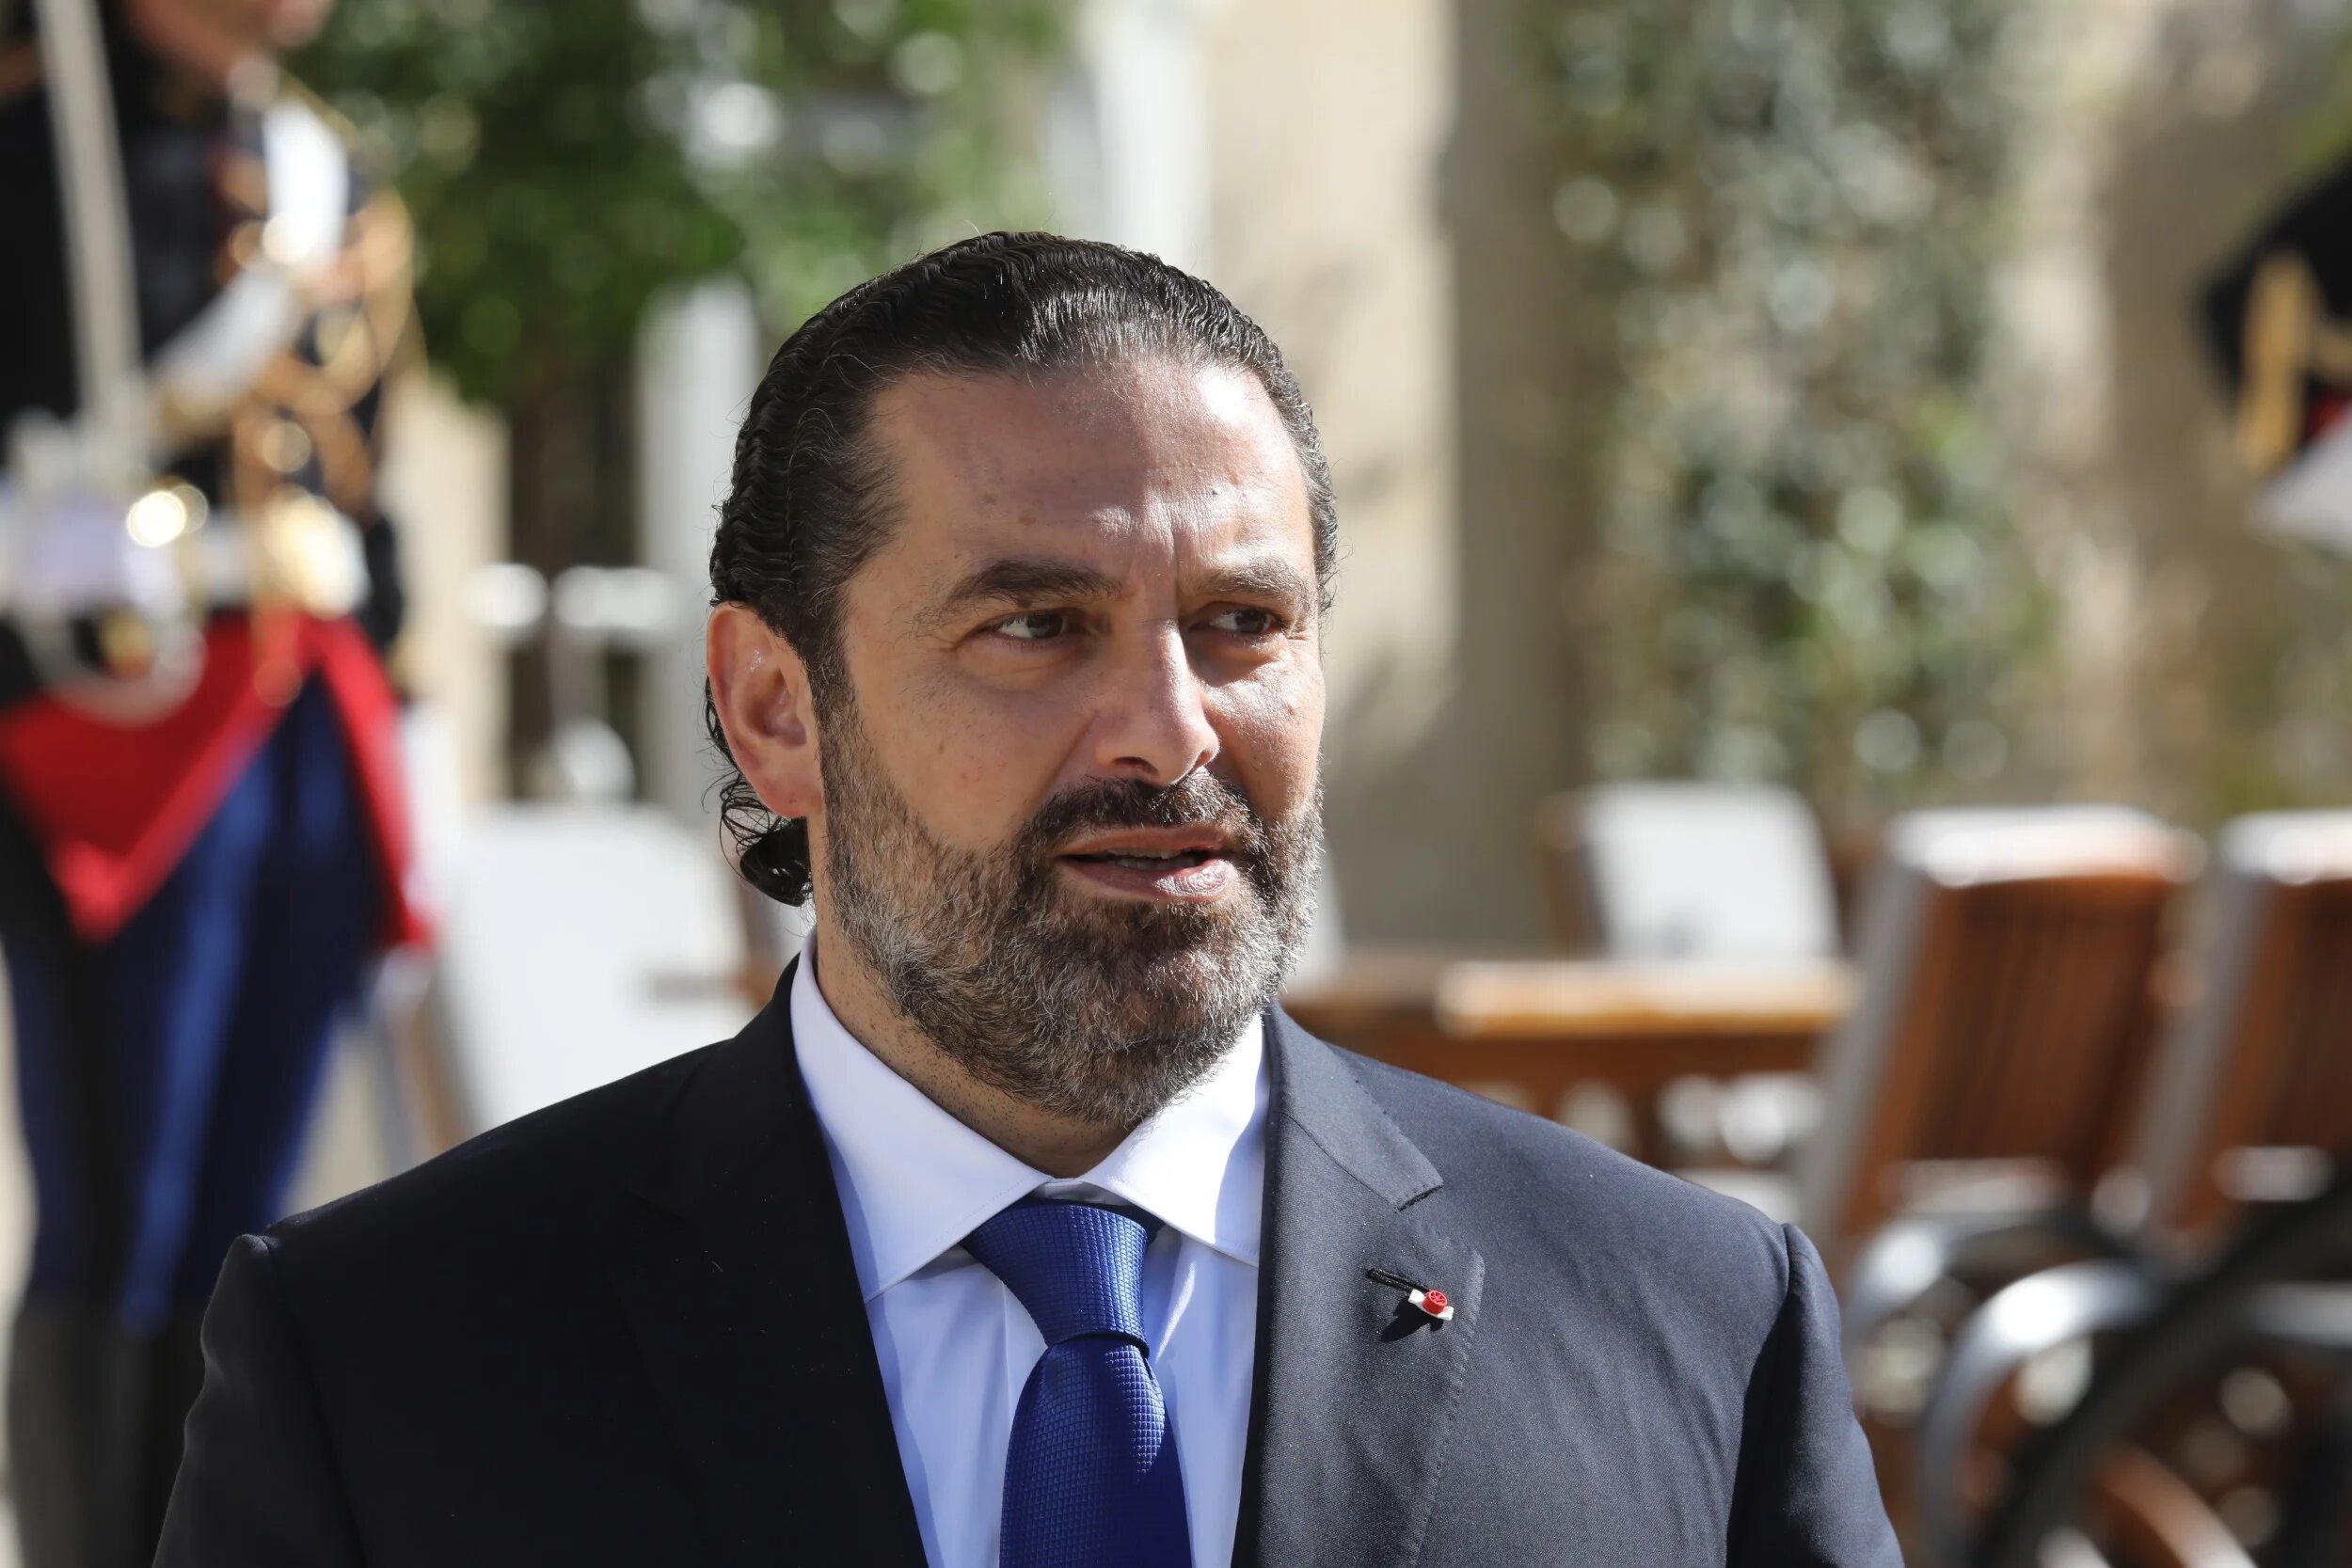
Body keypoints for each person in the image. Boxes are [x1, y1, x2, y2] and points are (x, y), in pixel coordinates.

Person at [156, 233, 1898, 1566]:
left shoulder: (1688, 1321)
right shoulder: (386, 1363)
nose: (1170, 730)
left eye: (1243, 625)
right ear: (776, 708)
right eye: (1037, 627)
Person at [0, 1, 422, 1562]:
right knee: (127, 1209)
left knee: (262, 1218)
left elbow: (365, 482)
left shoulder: (326, 168)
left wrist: (410, 711)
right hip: (118, 715)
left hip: (307, 706)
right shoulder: (34, 136)